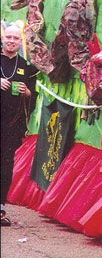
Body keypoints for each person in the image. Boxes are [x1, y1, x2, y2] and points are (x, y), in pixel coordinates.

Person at [1, 24, 38, 226]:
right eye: (8, 37)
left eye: (16, 38)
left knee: (6, 166)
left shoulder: (26, 66)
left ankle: (0, 208)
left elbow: (34, 94)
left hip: (11, 124)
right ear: (3, 38)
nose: (12, 41)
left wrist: (27, 93)